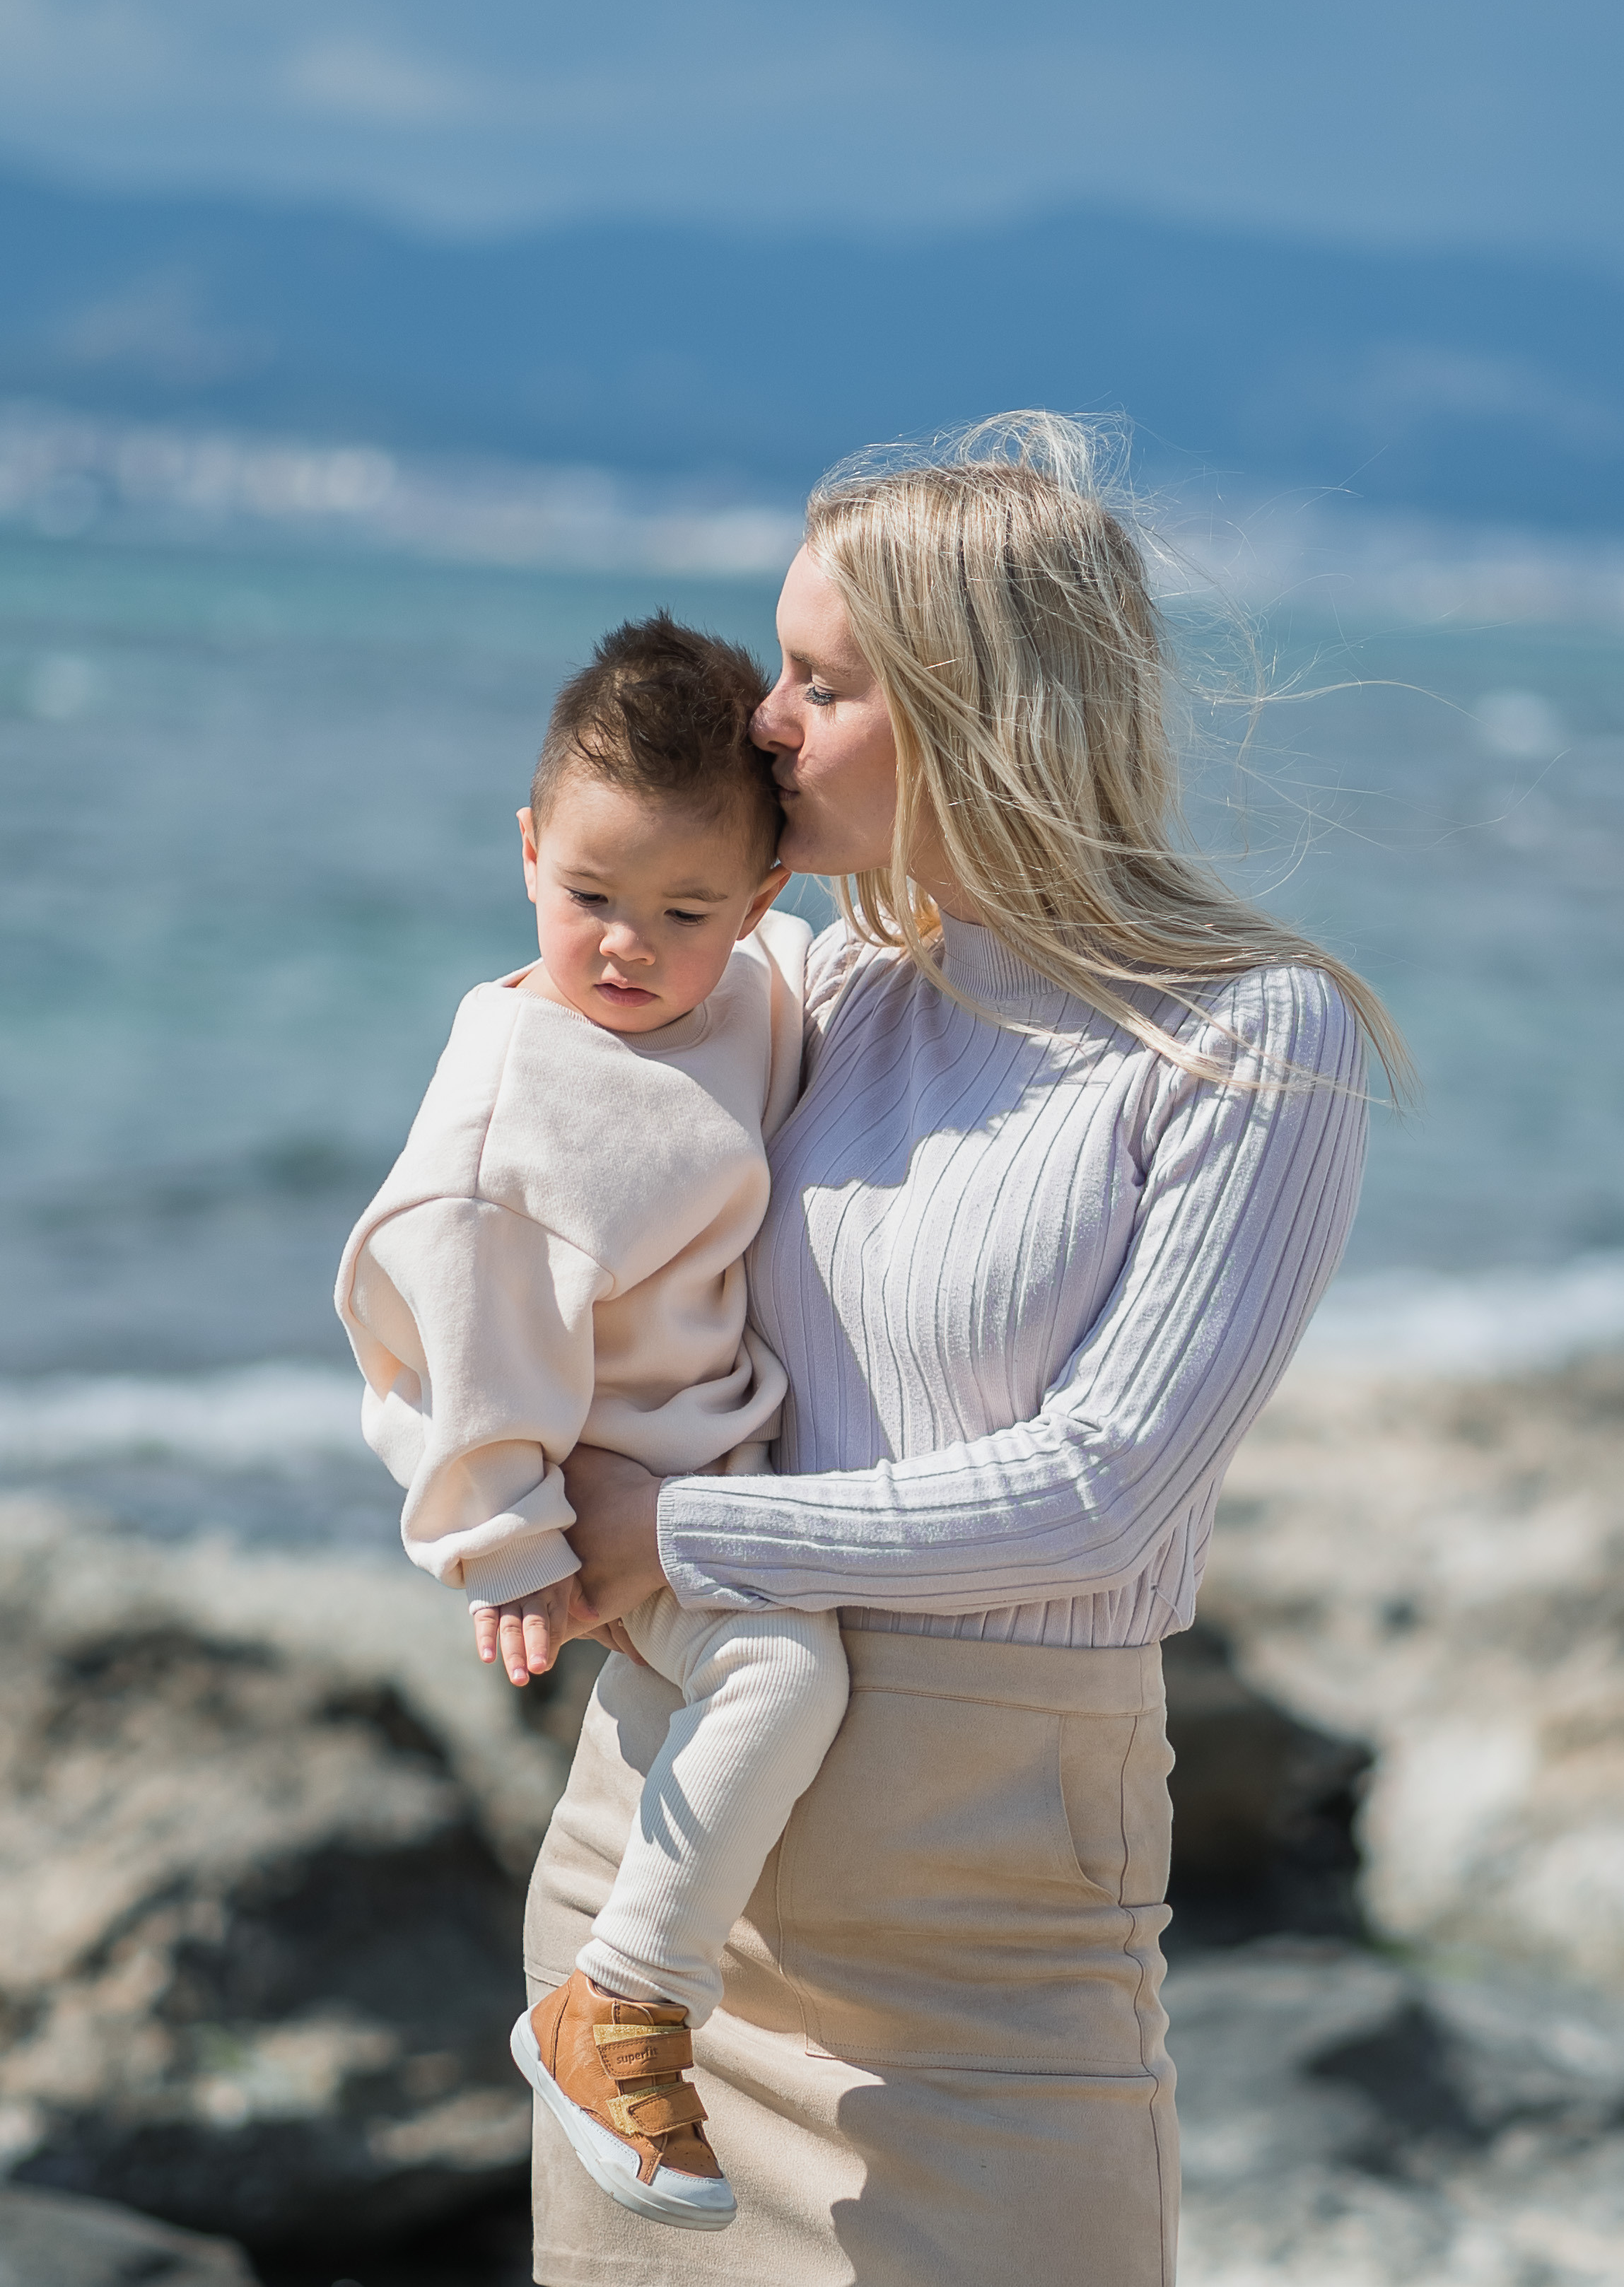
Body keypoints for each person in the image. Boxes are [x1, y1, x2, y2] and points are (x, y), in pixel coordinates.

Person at [517, 414, 1406, 2287]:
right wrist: (496, 1488)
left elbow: (1102, 1492)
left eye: (822, 682)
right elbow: (538, 1191)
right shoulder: (814, 992)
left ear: (979, 714)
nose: (760, 719)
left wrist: (673, 1538)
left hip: (990, 1935)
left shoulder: (1248, 1039)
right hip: (656, 1896)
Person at [334, 614, 850, 2232]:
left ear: (763, 902)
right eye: (589, 898)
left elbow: (825, 971)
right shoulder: (520, 1108)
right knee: (787, 1665)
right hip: (610, 1497)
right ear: (530, 850)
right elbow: (456, 1341)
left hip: (710, 1461)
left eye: (683, 911)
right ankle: (622, 1993)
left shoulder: (752, 984)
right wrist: (512, 1550)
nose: (626, 946)